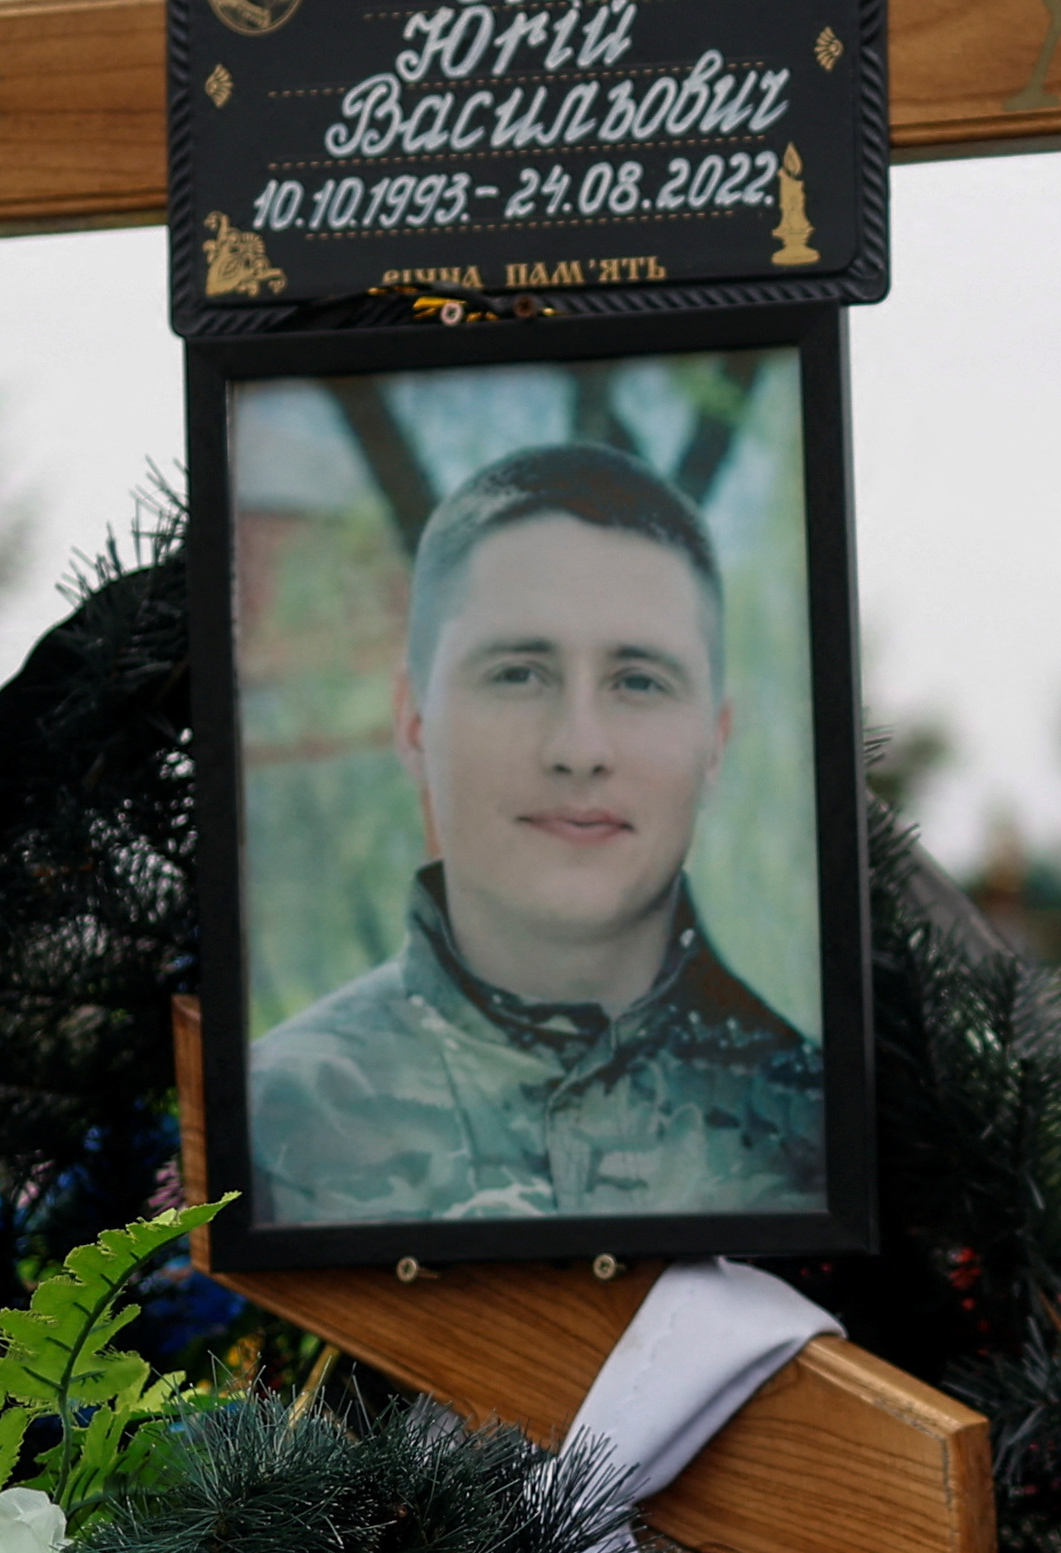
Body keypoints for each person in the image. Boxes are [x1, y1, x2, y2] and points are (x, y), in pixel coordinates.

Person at [251, 441, 822, 1228]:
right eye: (518, 674)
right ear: (412, 720)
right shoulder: (272, 1123)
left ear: (715, 742)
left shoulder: (825, 1131)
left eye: (638, 682)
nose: (578, 748)